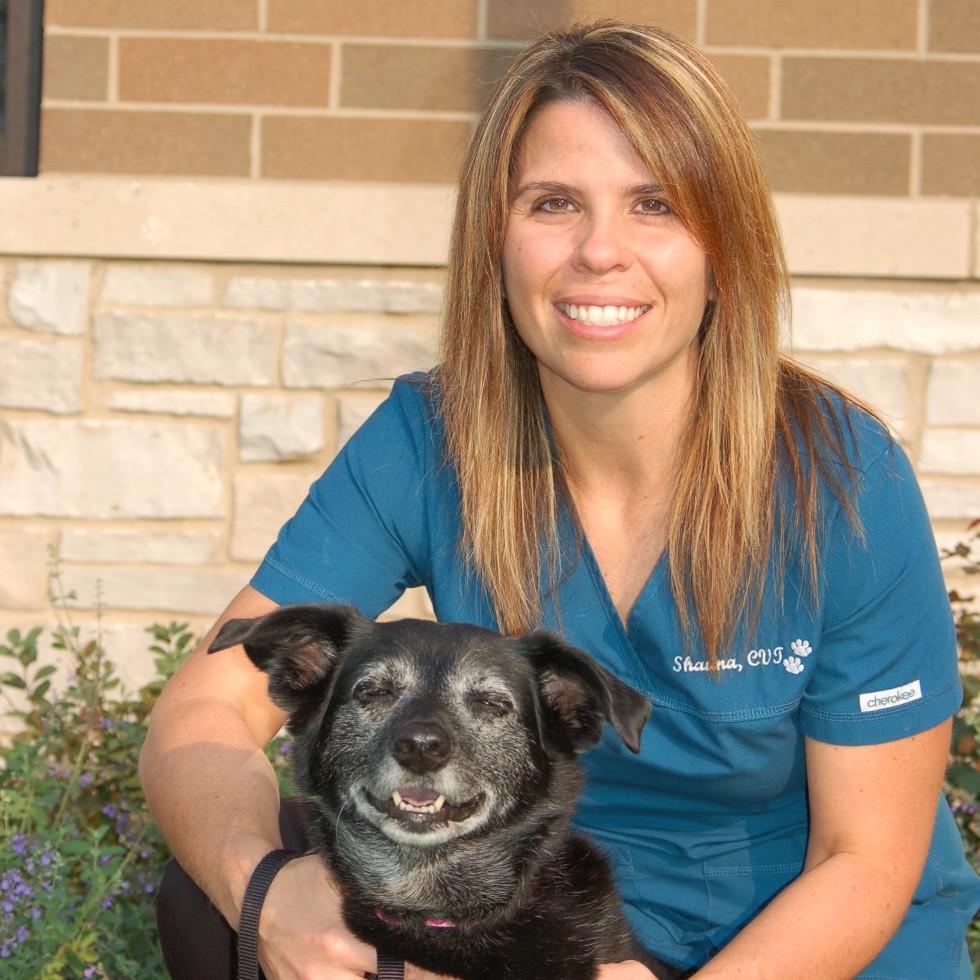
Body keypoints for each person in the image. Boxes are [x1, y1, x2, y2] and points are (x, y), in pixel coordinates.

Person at [140, 20, 980, 980]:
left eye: (655, 204)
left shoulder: (841, 481)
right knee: (208, 907)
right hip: (553, 925)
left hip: (811, 949)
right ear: (496, 237)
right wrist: (267, 891)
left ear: (724, 247)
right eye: (553, 204)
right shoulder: (431, 442)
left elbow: (861, 860)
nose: (599, 252)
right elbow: (206, 710)